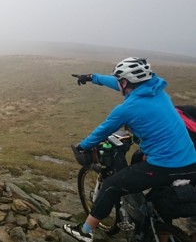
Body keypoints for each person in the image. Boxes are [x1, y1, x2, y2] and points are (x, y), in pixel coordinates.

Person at [63, 57, 196, 242]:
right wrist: (93, 77)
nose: (117, 83)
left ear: (125, 82)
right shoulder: (157, 90)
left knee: (111, 186)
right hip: (191, 161)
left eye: (120, 80)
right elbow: (119, 83)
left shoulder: (127, 108)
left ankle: (85, 231)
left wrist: (83, 145)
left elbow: (102, 131)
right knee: (157, 201)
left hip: (165, 166)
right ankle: (162, 234)